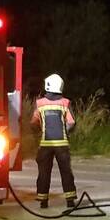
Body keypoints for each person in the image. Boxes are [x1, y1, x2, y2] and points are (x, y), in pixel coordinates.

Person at [31, 73, 77, 208]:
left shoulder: (40, 103)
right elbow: (71, 122)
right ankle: (70, 201)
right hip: (62, 144)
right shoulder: (65, 102)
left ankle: (43, 200)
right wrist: (66, 132)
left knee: (44, 172)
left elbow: (33, 123)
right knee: (66, 172)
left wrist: (39, 132)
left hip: (45, 144)